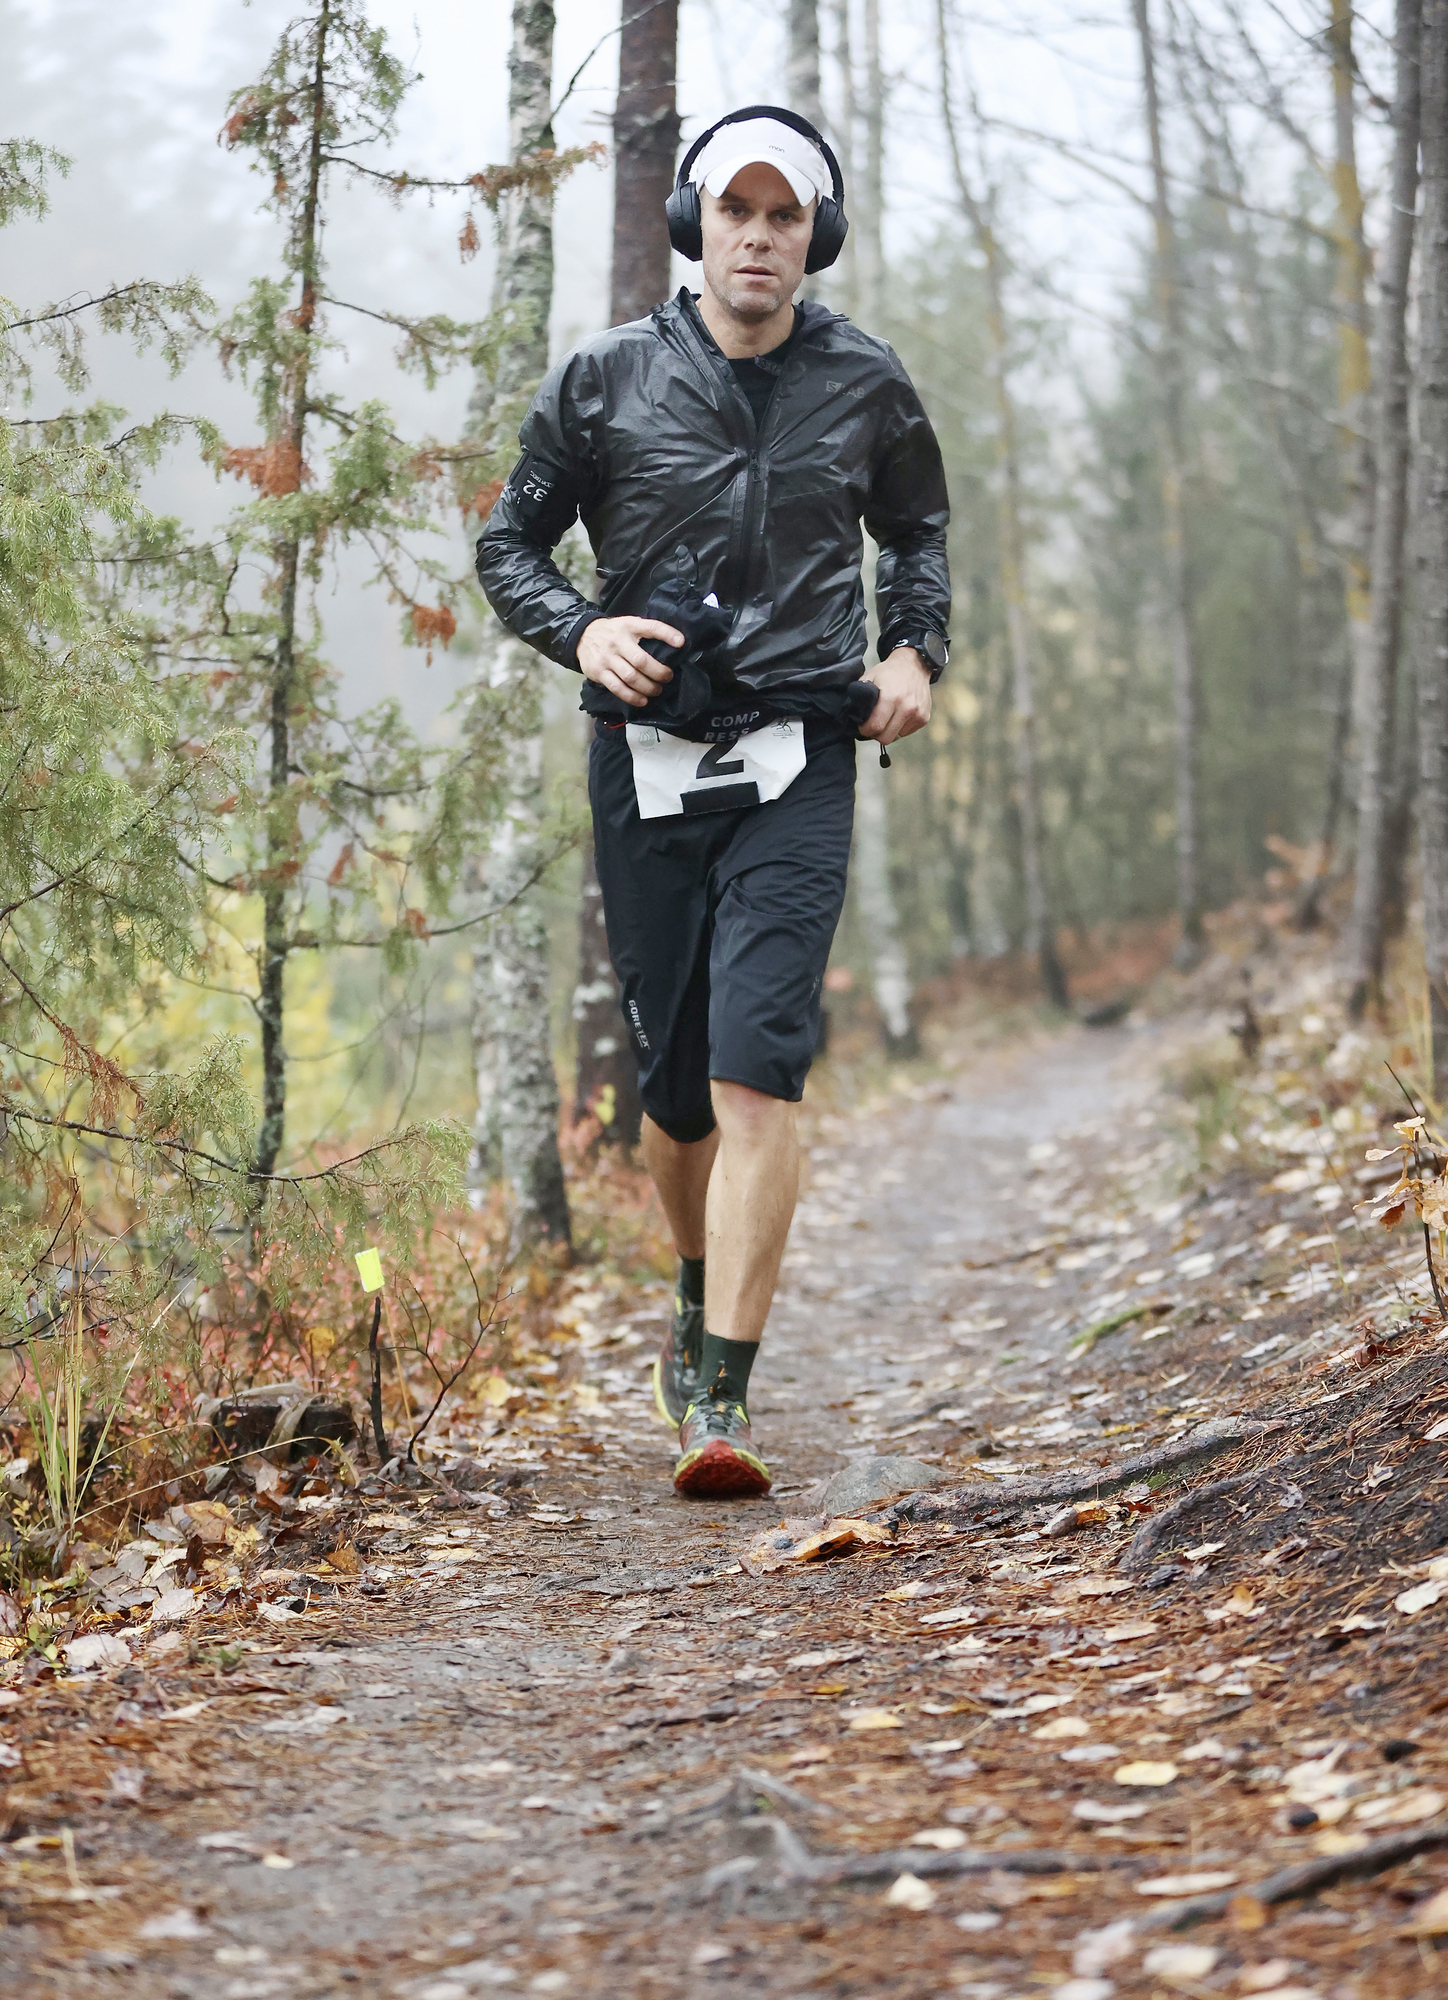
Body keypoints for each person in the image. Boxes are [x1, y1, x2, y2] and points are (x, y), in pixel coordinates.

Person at [476, 106, 950, 1500]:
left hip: (800, 760)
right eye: (736, 213)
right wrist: (579, 630)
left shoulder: (866, 382)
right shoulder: (605, 380)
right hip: (649, 764)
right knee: (674, 1098)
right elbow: (510, 540)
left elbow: (916, 532)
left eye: (784, 216)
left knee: (758, 1068)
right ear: (698, 228)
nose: (759, 236)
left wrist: (915, 650)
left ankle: (723, 1403)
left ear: (817, 236)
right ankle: (689, 1301)